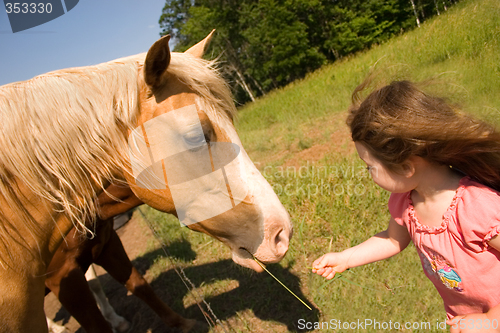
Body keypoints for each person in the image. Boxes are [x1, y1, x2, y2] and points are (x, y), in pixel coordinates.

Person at [312, 80, 500, 332]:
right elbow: (392, 239)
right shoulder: (406, 202)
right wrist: (346, 258)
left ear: (405, 167)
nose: (367, 173)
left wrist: (491, 320)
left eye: (370, 167)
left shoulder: (477, 208)